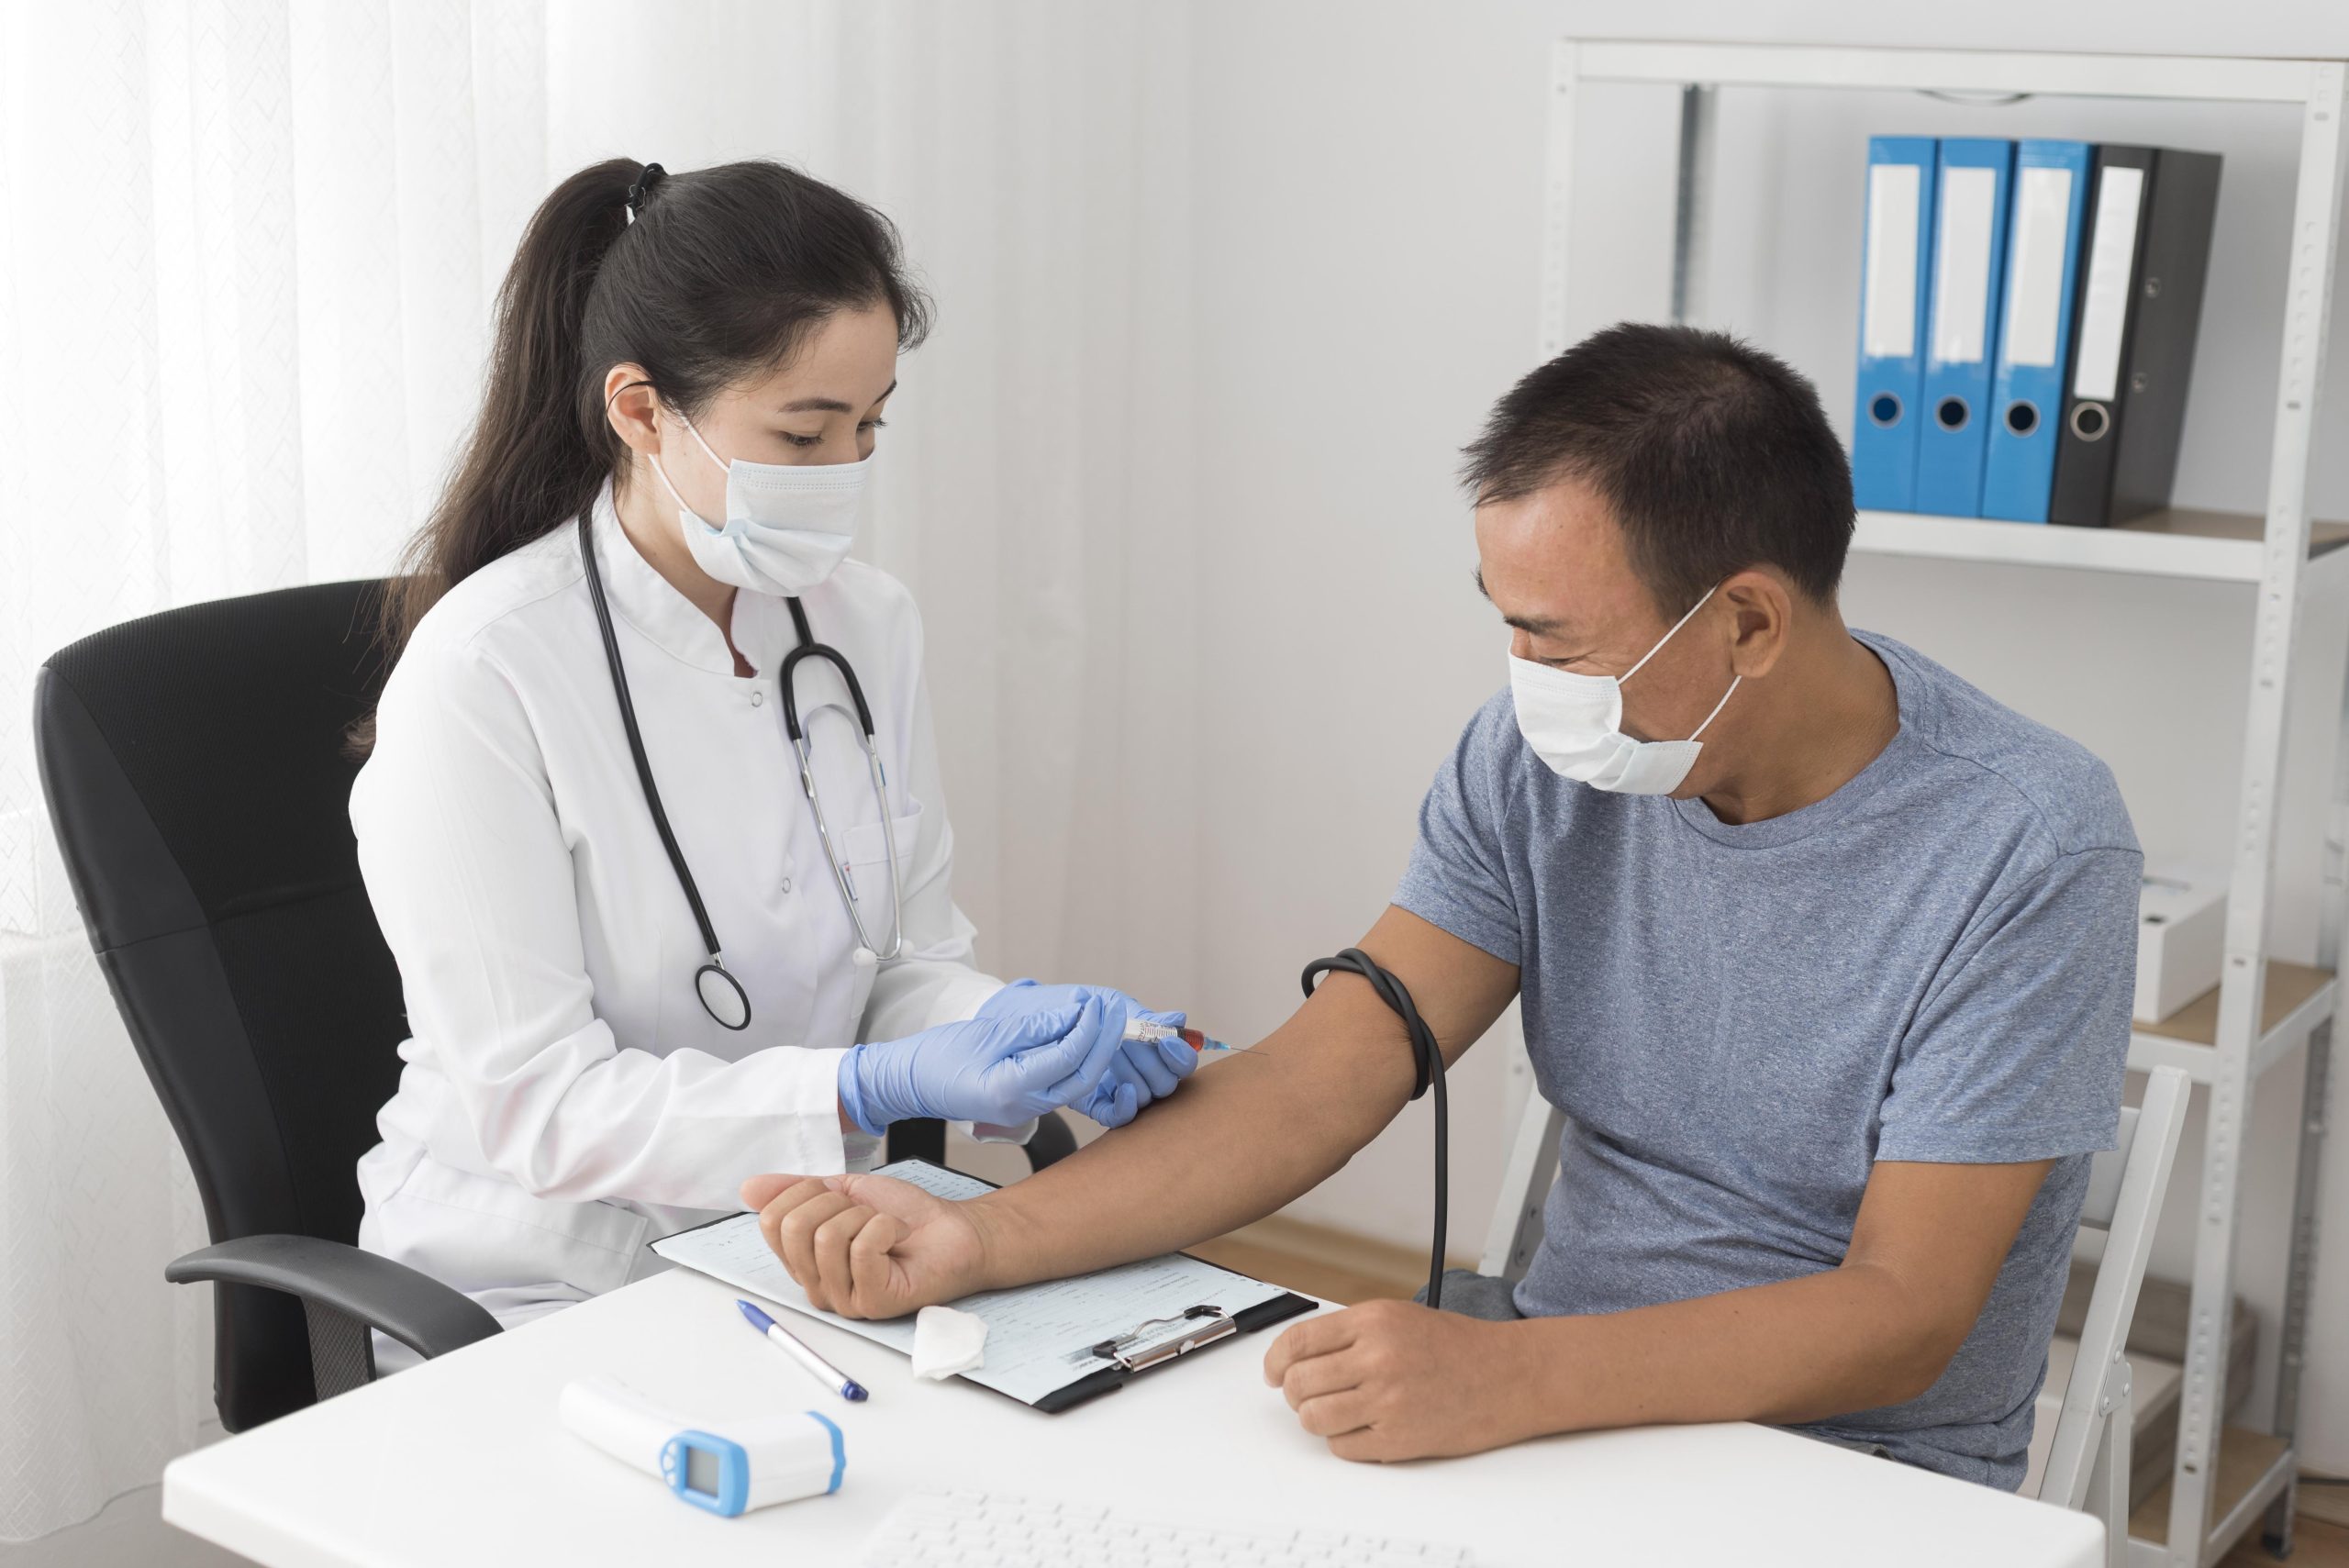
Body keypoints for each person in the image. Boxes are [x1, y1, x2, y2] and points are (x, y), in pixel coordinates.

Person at [741, 323, 2141, 1490]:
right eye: (1505, 616)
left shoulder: (2029, 844)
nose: (1522, 674)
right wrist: (975, 1240)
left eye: (1558, 637)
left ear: (1750, 625)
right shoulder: (1540, 760)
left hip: (1858, 1468)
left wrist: (1503, 1371)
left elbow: (1903, 1316)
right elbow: (1320, 1083)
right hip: (1551, 1401)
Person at [349, 158, 1196, 1354]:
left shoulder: (865, 623)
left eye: (869, 426)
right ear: (642, 412)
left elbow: (897, 960)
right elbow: (538, 1108)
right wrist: (865, 1087)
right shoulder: (484, 673)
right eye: (804, 432)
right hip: (539, 1282)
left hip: (812, 1241)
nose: (846, 471)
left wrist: (1013, 1023)